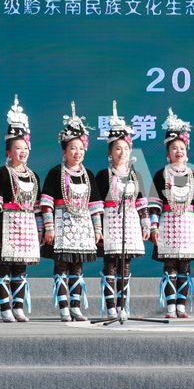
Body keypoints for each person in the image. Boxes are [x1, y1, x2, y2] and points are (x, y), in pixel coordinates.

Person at [41, 102, 102, 321]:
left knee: (77, 266)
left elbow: (95, 206)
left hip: (83, 225)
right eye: (73, 148)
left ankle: (76, 306)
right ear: (64, 150)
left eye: (81, 148)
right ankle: (63, 307)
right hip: (62, 224)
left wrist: (97, 229)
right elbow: (46, 202)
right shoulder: (55, 173)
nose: (77, 152)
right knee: (61, 266)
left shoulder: (89, 174)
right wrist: (49, 227)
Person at [149, 108, 194, 319]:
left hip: (188, 224)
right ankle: (170, 306)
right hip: (168, 223)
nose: (178, 151)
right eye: (174, 148)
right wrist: (153, 226)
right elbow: (154, 204)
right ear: (168, 153)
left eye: (181, 148)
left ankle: (181, 305)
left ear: (187, 151)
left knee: (185, 266)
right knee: (170, 266)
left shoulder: (193, 174)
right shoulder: (161, 174)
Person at [95, 101, 149, 319]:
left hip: (130, 220)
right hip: (110, 220)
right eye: (118, 148)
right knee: (110, 262)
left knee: (125, 264)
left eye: (125, 148)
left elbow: (141, 202)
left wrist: (146, 224)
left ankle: (122, 305)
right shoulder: (103, 175)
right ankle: (110, 306)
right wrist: (98, 228)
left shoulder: (135, 174)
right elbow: (97, 205)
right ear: (110, 152)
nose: (122, 152)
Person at [0, 96, 41, 323]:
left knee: (21, 268)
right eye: (18, 148)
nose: (23, 152)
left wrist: (41, 228)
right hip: (6, 225)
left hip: (26, 225)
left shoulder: (33, 176)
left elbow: (37, 206)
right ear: (9, 151)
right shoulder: (2, 173)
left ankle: (18, 306)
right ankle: (5, 307)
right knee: (4, 267)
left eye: (25, 148)